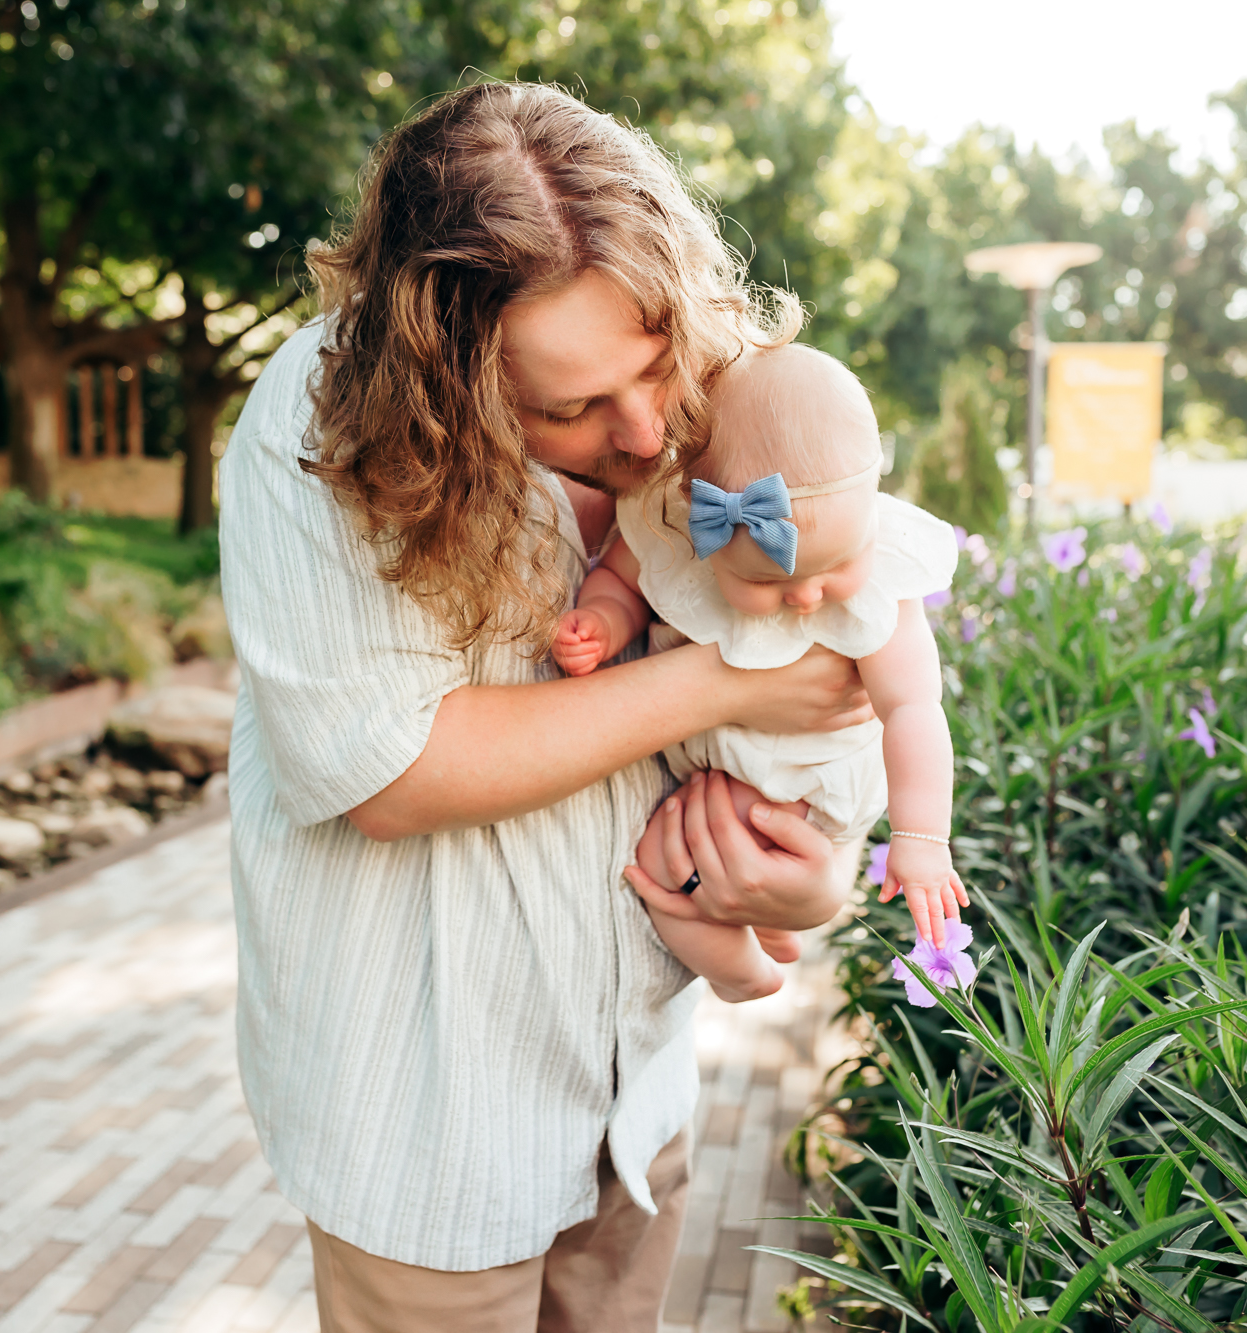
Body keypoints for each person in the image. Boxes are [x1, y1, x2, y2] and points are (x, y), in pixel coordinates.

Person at [219, 82, 874, 1331]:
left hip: (634, 1104)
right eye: (566, 406)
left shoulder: (731, 401)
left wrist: (808, 879)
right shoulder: (316, 425)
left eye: (648, 366)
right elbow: (388, 773)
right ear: (444, 376)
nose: (641, 432)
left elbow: (840, 673)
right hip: (431, 1129)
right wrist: (721, 677)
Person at [553, 343, 970, 1004]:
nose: (808, 596)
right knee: (695, 848)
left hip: (807, 780)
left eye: (835, 566)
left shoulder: (882, 582)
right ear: (699, 512)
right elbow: (625, 581)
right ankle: (767, 927)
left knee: (666, 857)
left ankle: (740, 973)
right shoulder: (673, 526)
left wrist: (921, 838)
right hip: (733, 769)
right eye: (770, 579)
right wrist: (603, 619)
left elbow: (914, 708)